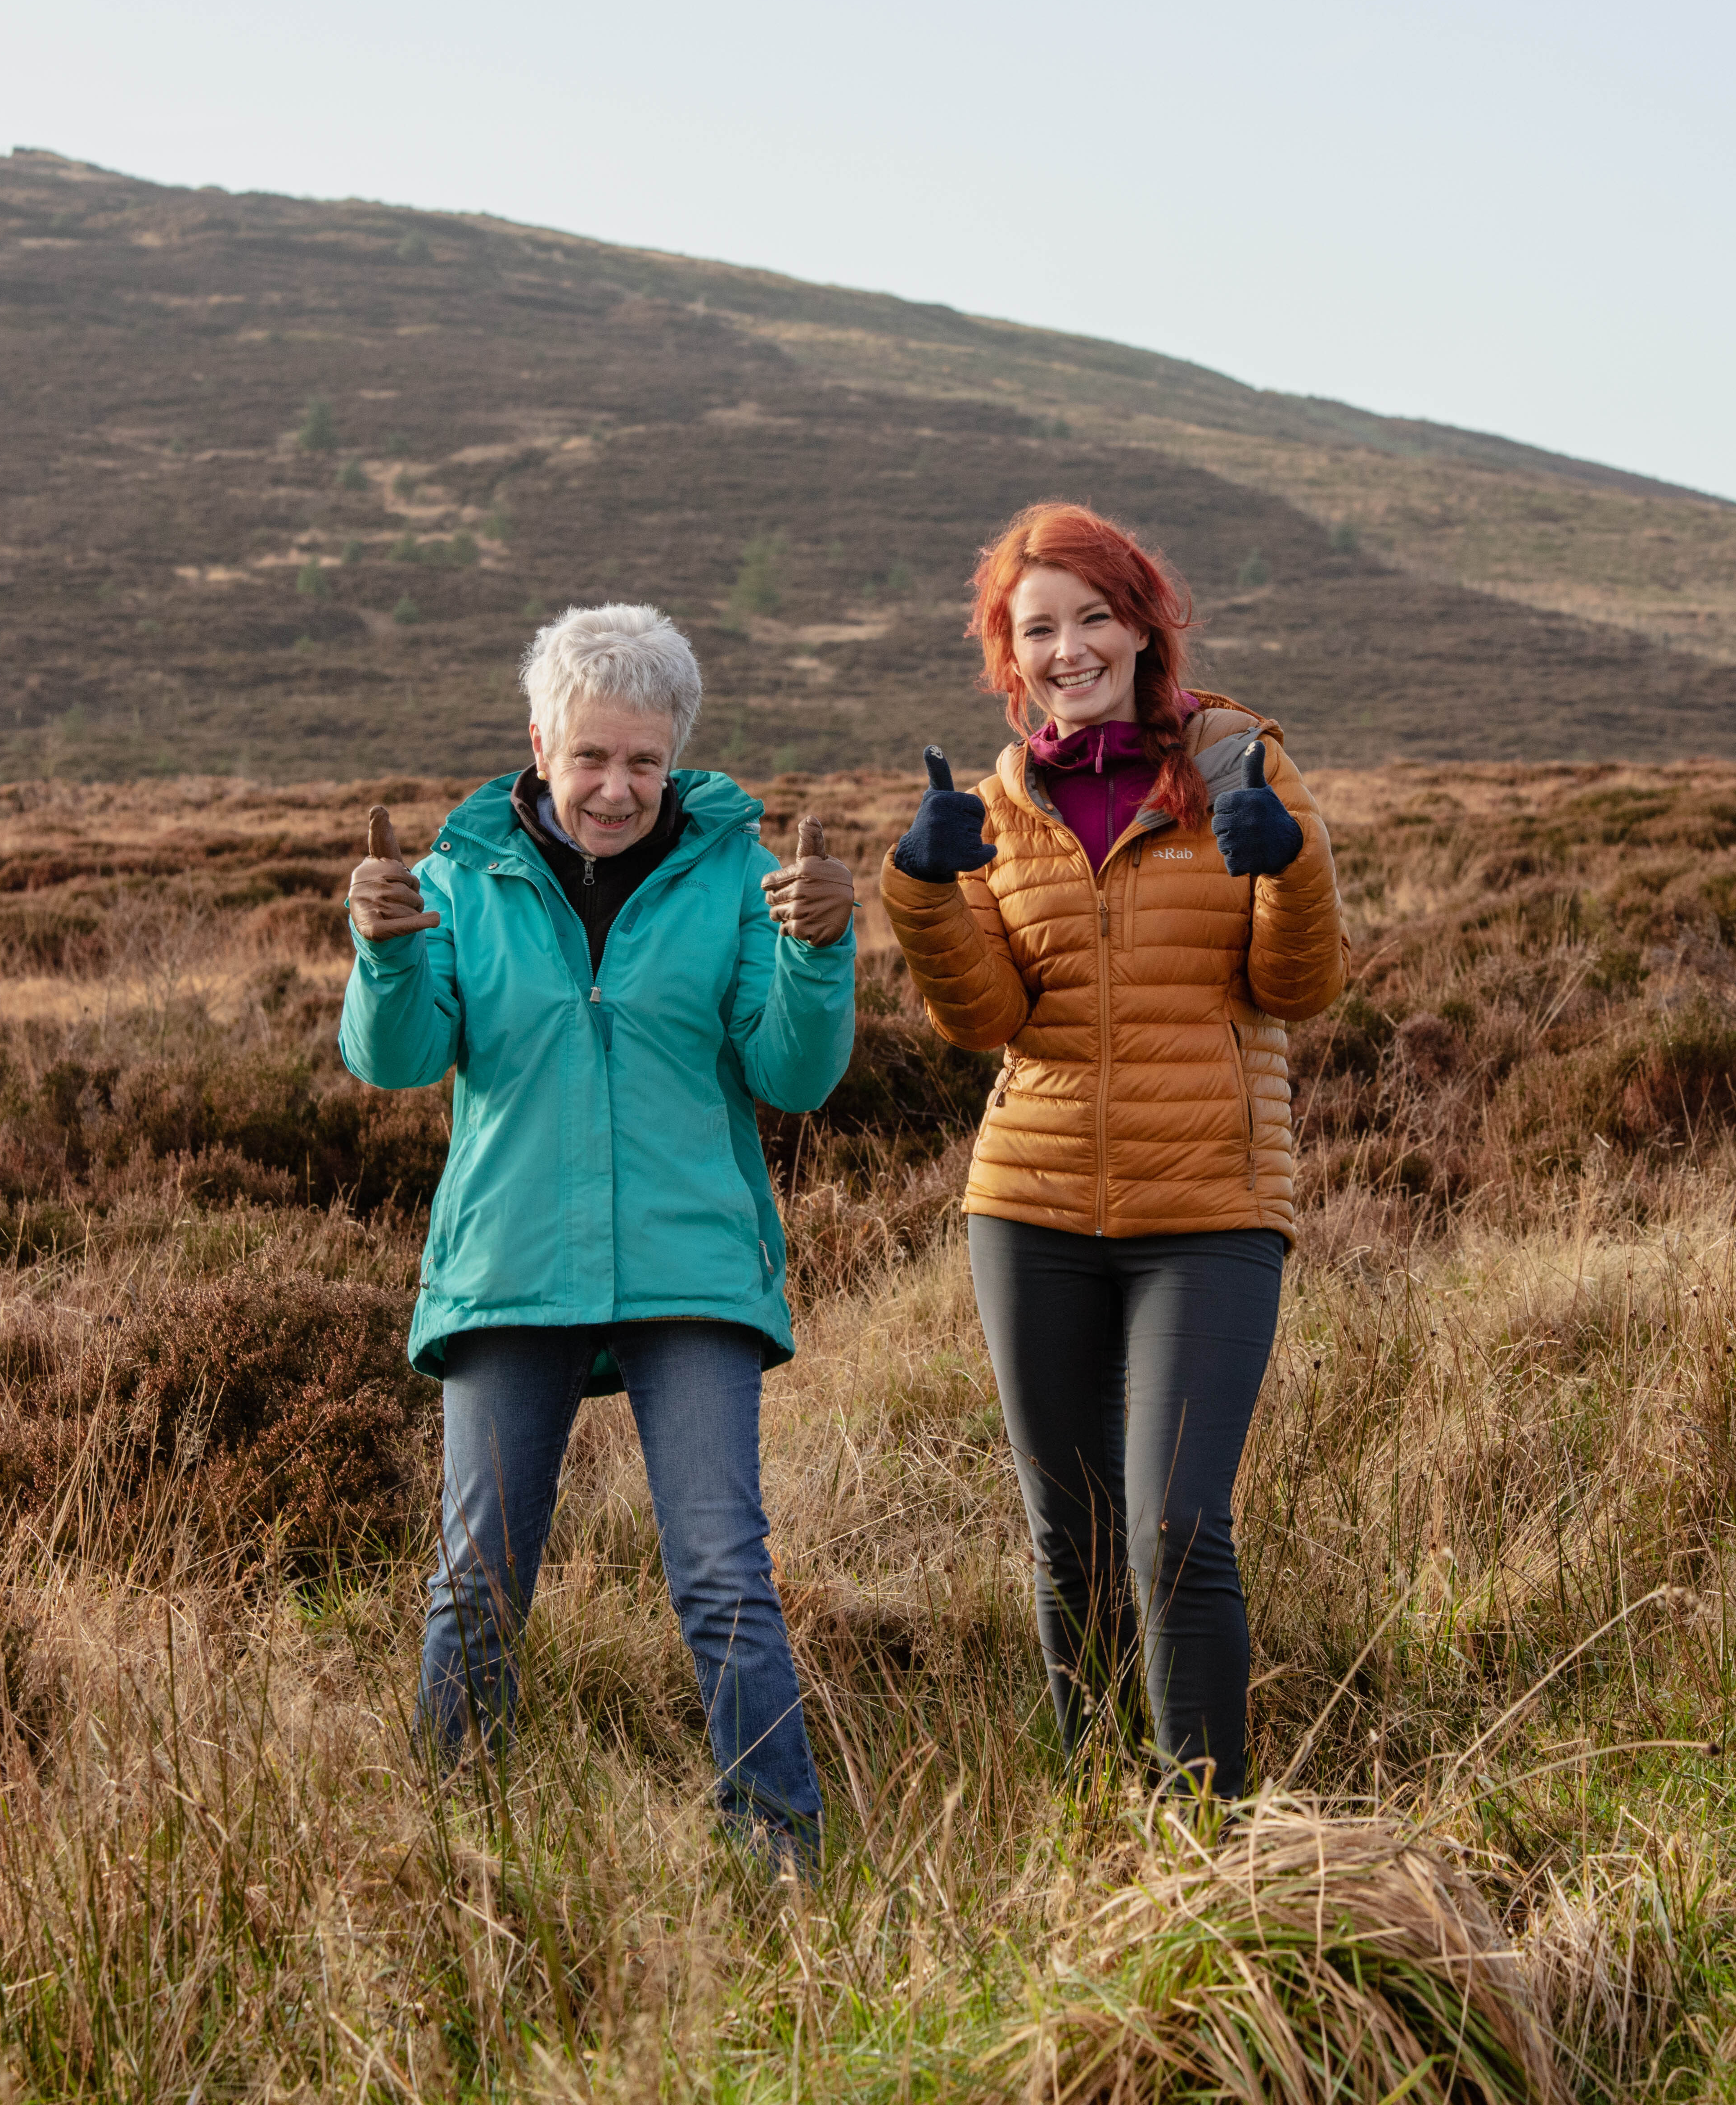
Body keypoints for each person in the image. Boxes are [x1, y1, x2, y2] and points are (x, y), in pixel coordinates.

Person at [342, 602, 857, 1857]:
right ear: (539, 743)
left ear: (674, 752)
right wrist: (385, 951)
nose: (616, 788)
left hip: (691, 1266)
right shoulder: (463, 875)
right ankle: (452, 1838)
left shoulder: (740, 875)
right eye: (590, 758)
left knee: (726, 1573)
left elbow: (793, 1077)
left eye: (642, 760)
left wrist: (821, 951)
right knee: (476, 1580)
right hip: (510, 1266)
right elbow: (397, 1059)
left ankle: (782, 1844)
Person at [879, 502, 1345, 1797]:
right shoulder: (999, 803)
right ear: (1009, 657)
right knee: (1073, 1538)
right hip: (1028, 1213)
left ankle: (1208, 1835)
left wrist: (1288, 868)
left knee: (1179, 1527)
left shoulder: (1243, 761)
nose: (1069, 647)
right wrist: (922, 893)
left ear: (1144, 626)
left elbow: (1298, 987)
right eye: (1039, 628)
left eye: (1093, 615)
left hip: (1209, 1207)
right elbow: (989, 1019)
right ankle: (1097, 1820)